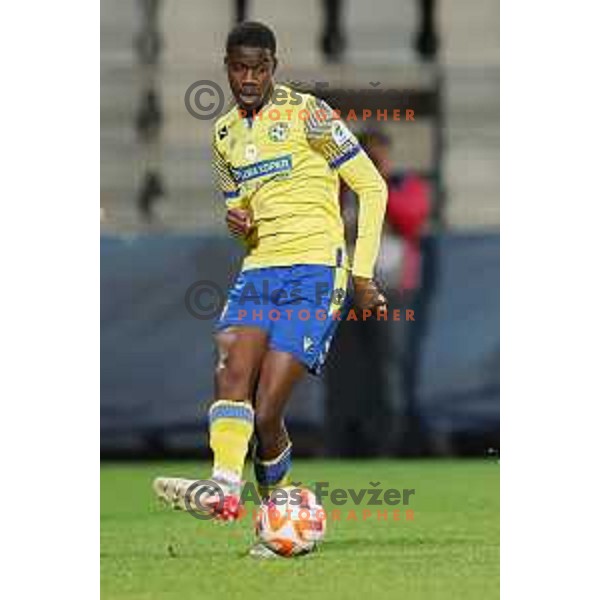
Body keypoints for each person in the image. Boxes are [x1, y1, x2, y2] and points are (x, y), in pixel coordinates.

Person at [153, 22, 387, 525]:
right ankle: (224, 488)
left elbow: (372, 186)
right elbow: (243, 219)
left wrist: (363, 276)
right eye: (240, 67)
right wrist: (237, 223)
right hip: (259, 269)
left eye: (260, 68)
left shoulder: (310, 115)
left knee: (266, 414)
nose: (250, 78)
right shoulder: (223, 136)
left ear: (273, 67)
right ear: (227, 67)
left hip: (317, 272)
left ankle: (274, 512)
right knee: (230, 369)